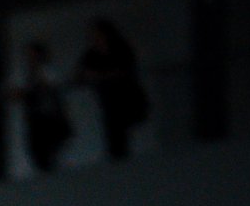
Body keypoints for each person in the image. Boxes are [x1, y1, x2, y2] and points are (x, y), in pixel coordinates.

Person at [74, 18, 149, 162]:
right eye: (92, 36)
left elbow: (125, 70)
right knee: (114, 135)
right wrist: (87, 76)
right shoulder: (91, 54)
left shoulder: (120, 48)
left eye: (97, 34)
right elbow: (78, 75)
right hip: (108, 102)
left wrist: (101, 75)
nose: (94, 39)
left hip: (128, 98)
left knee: (120, 131)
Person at [14, 40, 73, 175]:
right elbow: (16, 92)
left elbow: (51, 86)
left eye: (33, 55)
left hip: (50, 117)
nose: (30, 59)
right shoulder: (25, 74)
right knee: (36, 150)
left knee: (53, 150)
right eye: (28, 56)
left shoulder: (48, 70)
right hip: (35, 119)